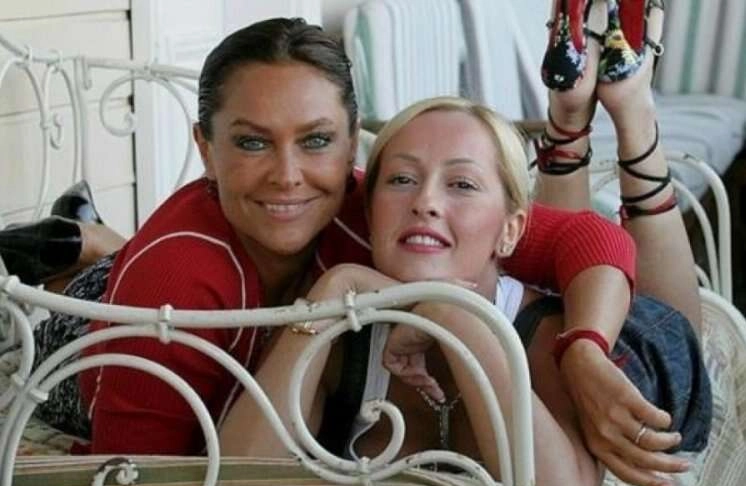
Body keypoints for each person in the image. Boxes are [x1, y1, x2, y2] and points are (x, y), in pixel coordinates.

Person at [1, 18, 638, 455]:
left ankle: (91, 236)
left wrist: (584, 349)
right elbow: (132, 476)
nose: (288, 176)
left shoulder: (381, 205)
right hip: (88, 339)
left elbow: (589, 241)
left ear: (352, 139)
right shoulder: (171, 288)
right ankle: (87, 251)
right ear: (206, 150)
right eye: (252, 143)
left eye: (316, 140)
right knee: (71, 308)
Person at [219, 7, 710, 486]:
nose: (425, 202)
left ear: (512, 232)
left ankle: (623, 111)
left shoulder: (546, 341)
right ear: (369, 213)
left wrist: (453, 315)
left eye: (462, 184)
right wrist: (338, 285)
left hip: (633, 350)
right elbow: (234, 481)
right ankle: (569, 120)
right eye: (401, 179)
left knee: (677, 334)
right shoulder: (340, 327)